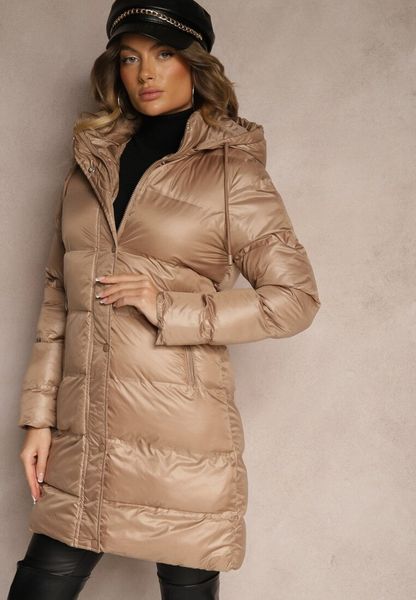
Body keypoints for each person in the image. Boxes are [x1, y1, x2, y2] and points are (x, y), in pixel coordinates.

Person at [8, 0, 321, 598]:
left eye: (164, 54)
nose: (146, 73)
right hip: (87, 432)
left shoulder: (232, 173)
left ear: (195, 65)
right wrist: (39, 420)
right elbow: (58, 301)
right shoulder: (89, 167)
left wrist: (167, 305)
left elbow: (294, 299)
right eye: (130, 58)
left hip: (181, 440)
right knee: (41, 585)